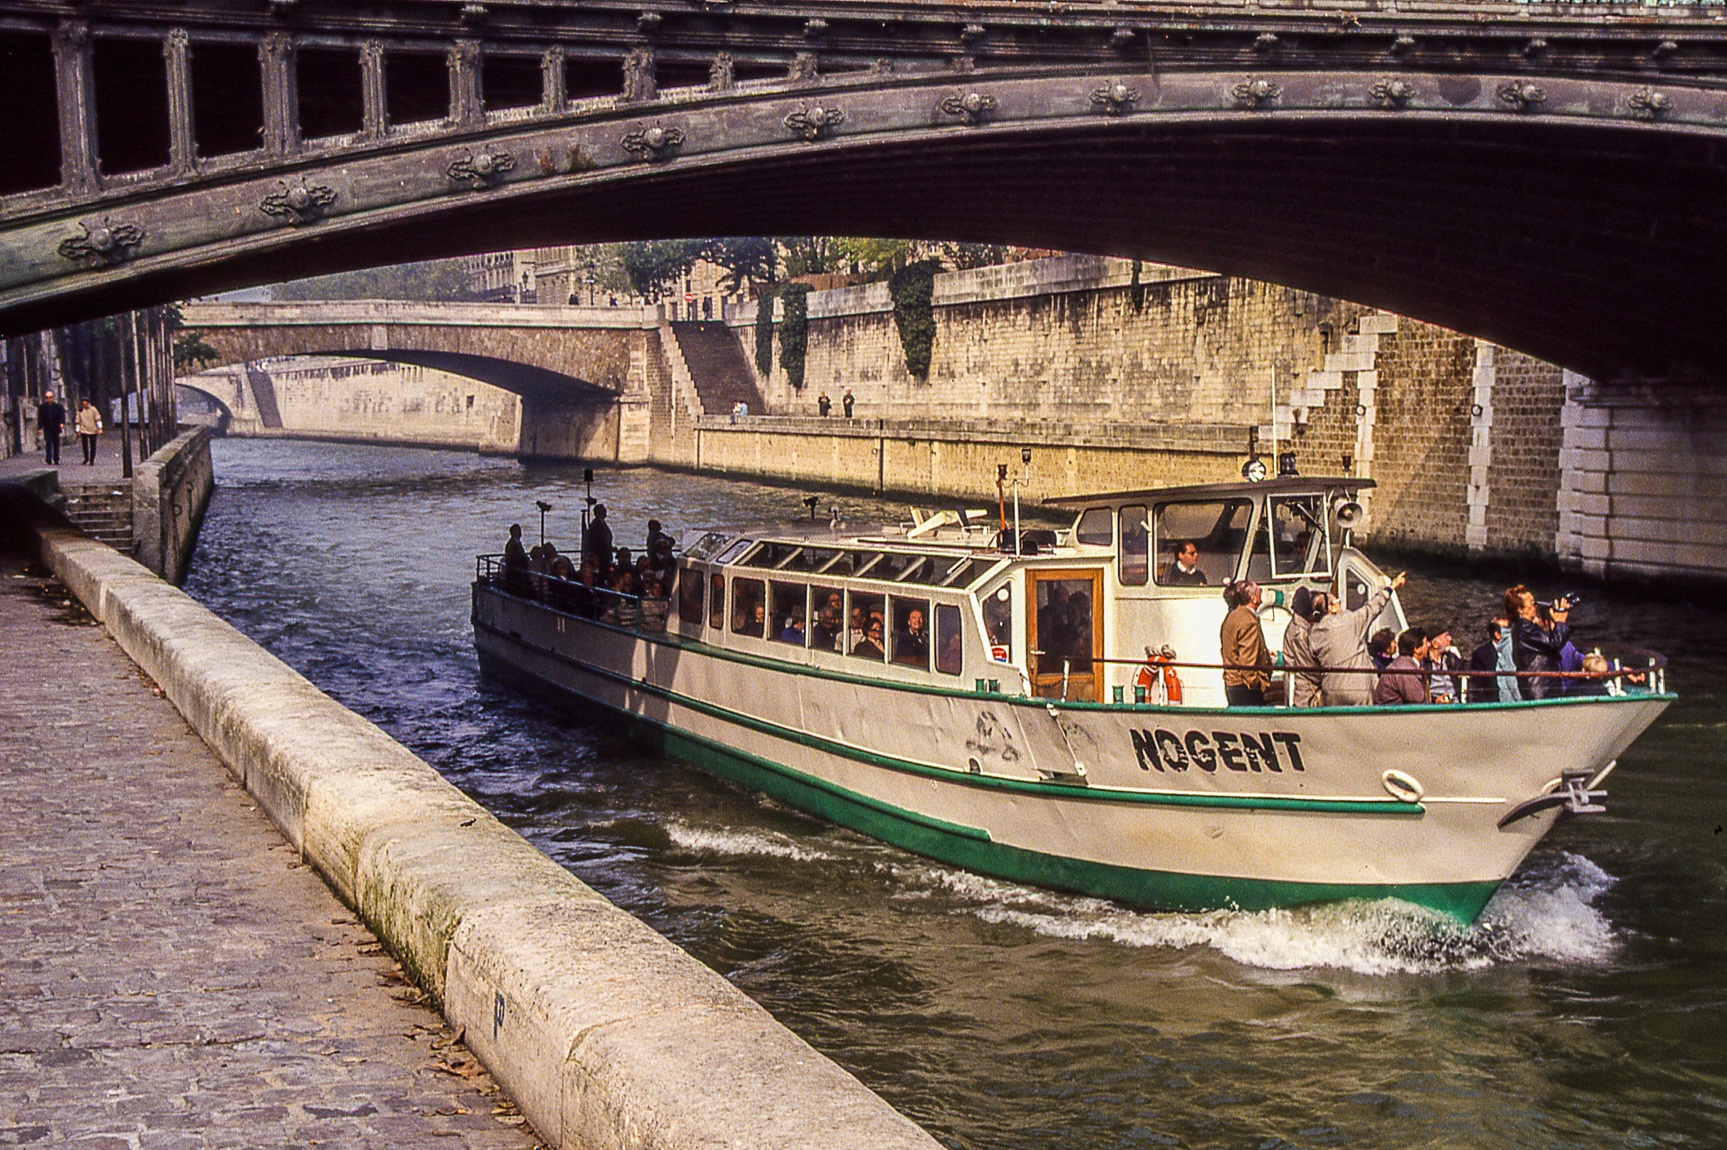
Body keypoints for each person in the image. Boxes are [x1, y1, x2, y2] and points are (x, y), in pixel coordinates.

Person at [1309, 572, 1405, 706]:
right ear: (1331, 608)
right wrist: (1391, 586)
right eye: (1337, 602)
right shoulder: (1349, 620)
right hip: (1358, 688)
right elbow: (1372, 608)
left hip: (1331, 691)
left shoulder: (1314, 633)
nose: (1340, 604)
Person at [1506, 584, 1571, 700]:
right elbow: (1554, 643)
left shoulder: (1524, 628)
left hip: (1543, 688)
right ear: (1520, 609)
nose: (1536, 606)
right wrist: (1560, 622)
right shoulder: (1525, 628)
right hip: (1541, 690)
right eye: (1532, 603)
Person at [1219, 580, 1271, 707]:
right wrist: (1258, 684)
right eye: (1259, 592)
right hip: (1246, 689)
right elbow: (1247, 663)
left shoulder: (1231, 617)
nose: (1261, 594)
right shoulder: (1249, 622)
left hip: (1232, 683)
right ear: (1253, 599)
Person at [1283, 587, 1324, 708]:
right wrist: (1326, 678)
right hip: (1303, 692)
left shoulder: (1297, 627)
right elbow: (1307, 666)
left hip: (1302, 688)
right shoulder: (1299, 633)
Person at [1374, 629, 1430, 706]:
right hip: (1393, 711)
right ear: (1417, 649)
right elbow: (1419, 702)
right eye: (1426, 643)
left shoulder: (1406, 664)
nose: (1429, 645)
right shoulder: (1407, 670)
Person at [1467, 618, 1516, 703]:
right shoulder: (1481, 655)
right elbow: (1476, 687)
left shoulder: (1517, 650)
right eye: (1507, 630)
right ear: (1497, 635)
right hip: (1492, 703)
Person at [1424, 626, 1464, 704]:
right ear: (1435, 644)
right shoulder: (1424, 663)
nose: (1450, 639)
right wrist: (1434, 700)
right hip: (1434, 705)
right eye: (1446, 637)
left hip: (1455, 703)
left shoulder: (1451, 659)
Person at [583, 504, 614, 579]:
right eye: (603, 510)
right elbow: (598, 542)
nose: (605, 512)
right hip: (601, 557)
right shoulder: (596, 524)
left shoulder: (601, 523)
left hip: (605, 555)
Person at [36, 391, 65, 466]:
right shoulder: (42, 407)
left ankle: (56, 458)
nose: (49, 399)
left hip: (56, 427)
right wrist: (40, 427)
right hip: (47, 427)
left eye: (50, 397)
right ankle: (48, 458)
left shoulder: (58, 407)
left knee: (56, 444)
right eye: (47, 398)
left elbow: (62, 416)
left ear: (53, 398)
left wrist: (62, 423)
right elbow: (40, 418)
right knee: (48, 443)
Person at [501, 523, 530, 595]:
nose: (519, 533)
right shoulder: (512, 544)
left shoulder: (517, 543)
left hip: (518, 571)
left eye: (519, 531)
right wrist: (524, 559)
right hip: (515, 572)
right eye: (517, 531)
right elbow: (514, 558)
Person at [75, 399, 102, 465]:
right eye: (83, 404)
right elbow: (78, 421)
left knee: (93, 445)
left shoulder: (93, 409)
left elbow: (97, 418)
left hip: (93, 429)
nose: (84, 405)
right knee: (85, 445)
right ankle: (86, 458)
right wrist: (78, 430)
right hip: (84, 429)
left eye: (85, 404)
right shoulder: (80, 410)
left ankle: (92, 459)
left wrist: (100, 428)